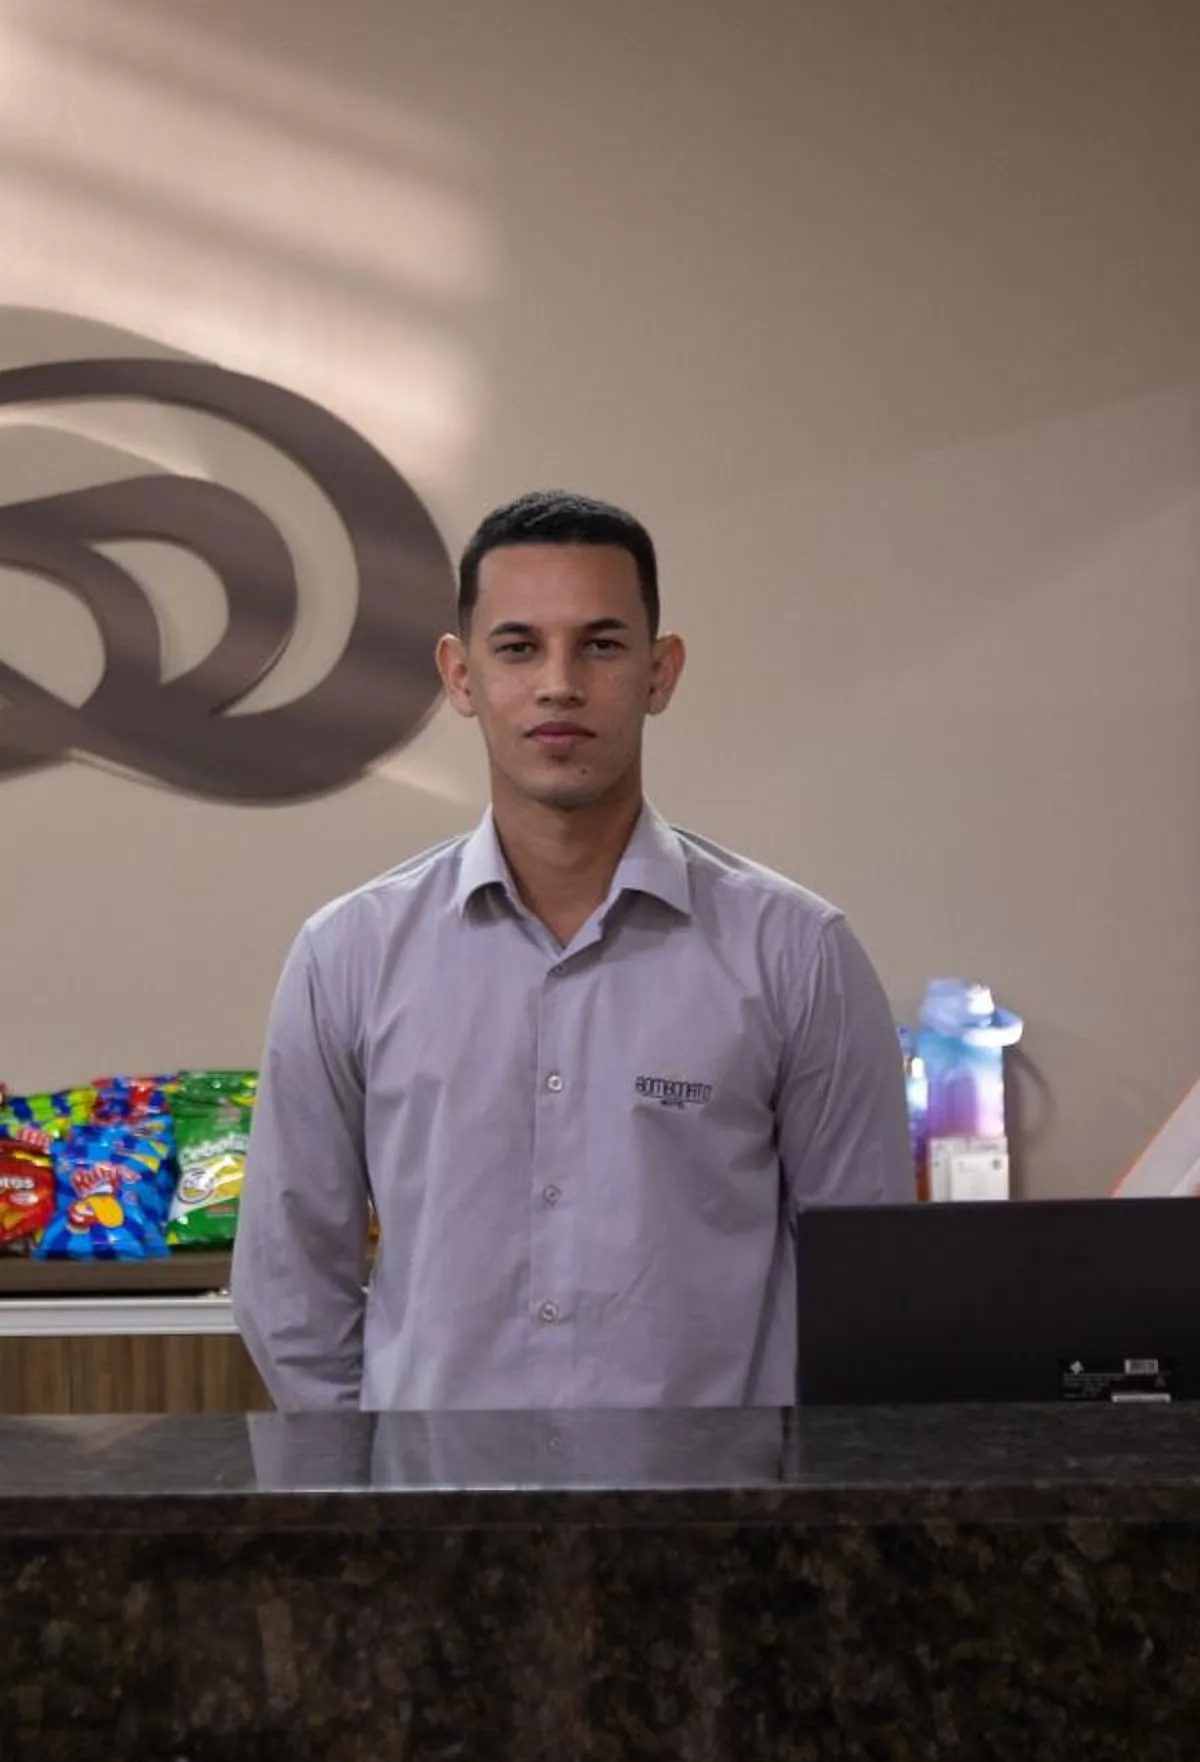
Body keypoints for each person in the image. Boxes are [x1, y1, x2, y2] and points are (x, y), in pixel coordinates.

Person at [232, 489, 911, 1412]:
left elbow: (865, 1296)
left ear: (660, 672)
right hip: (432, 1523)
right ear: (461, 676)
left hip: (721, 1532)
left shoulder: (799, 955)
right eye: (518, 647)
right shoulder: (347, 956)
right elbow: (289, 1288)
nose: (560, 683)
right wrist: (378, 1496)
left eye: (601, 644)